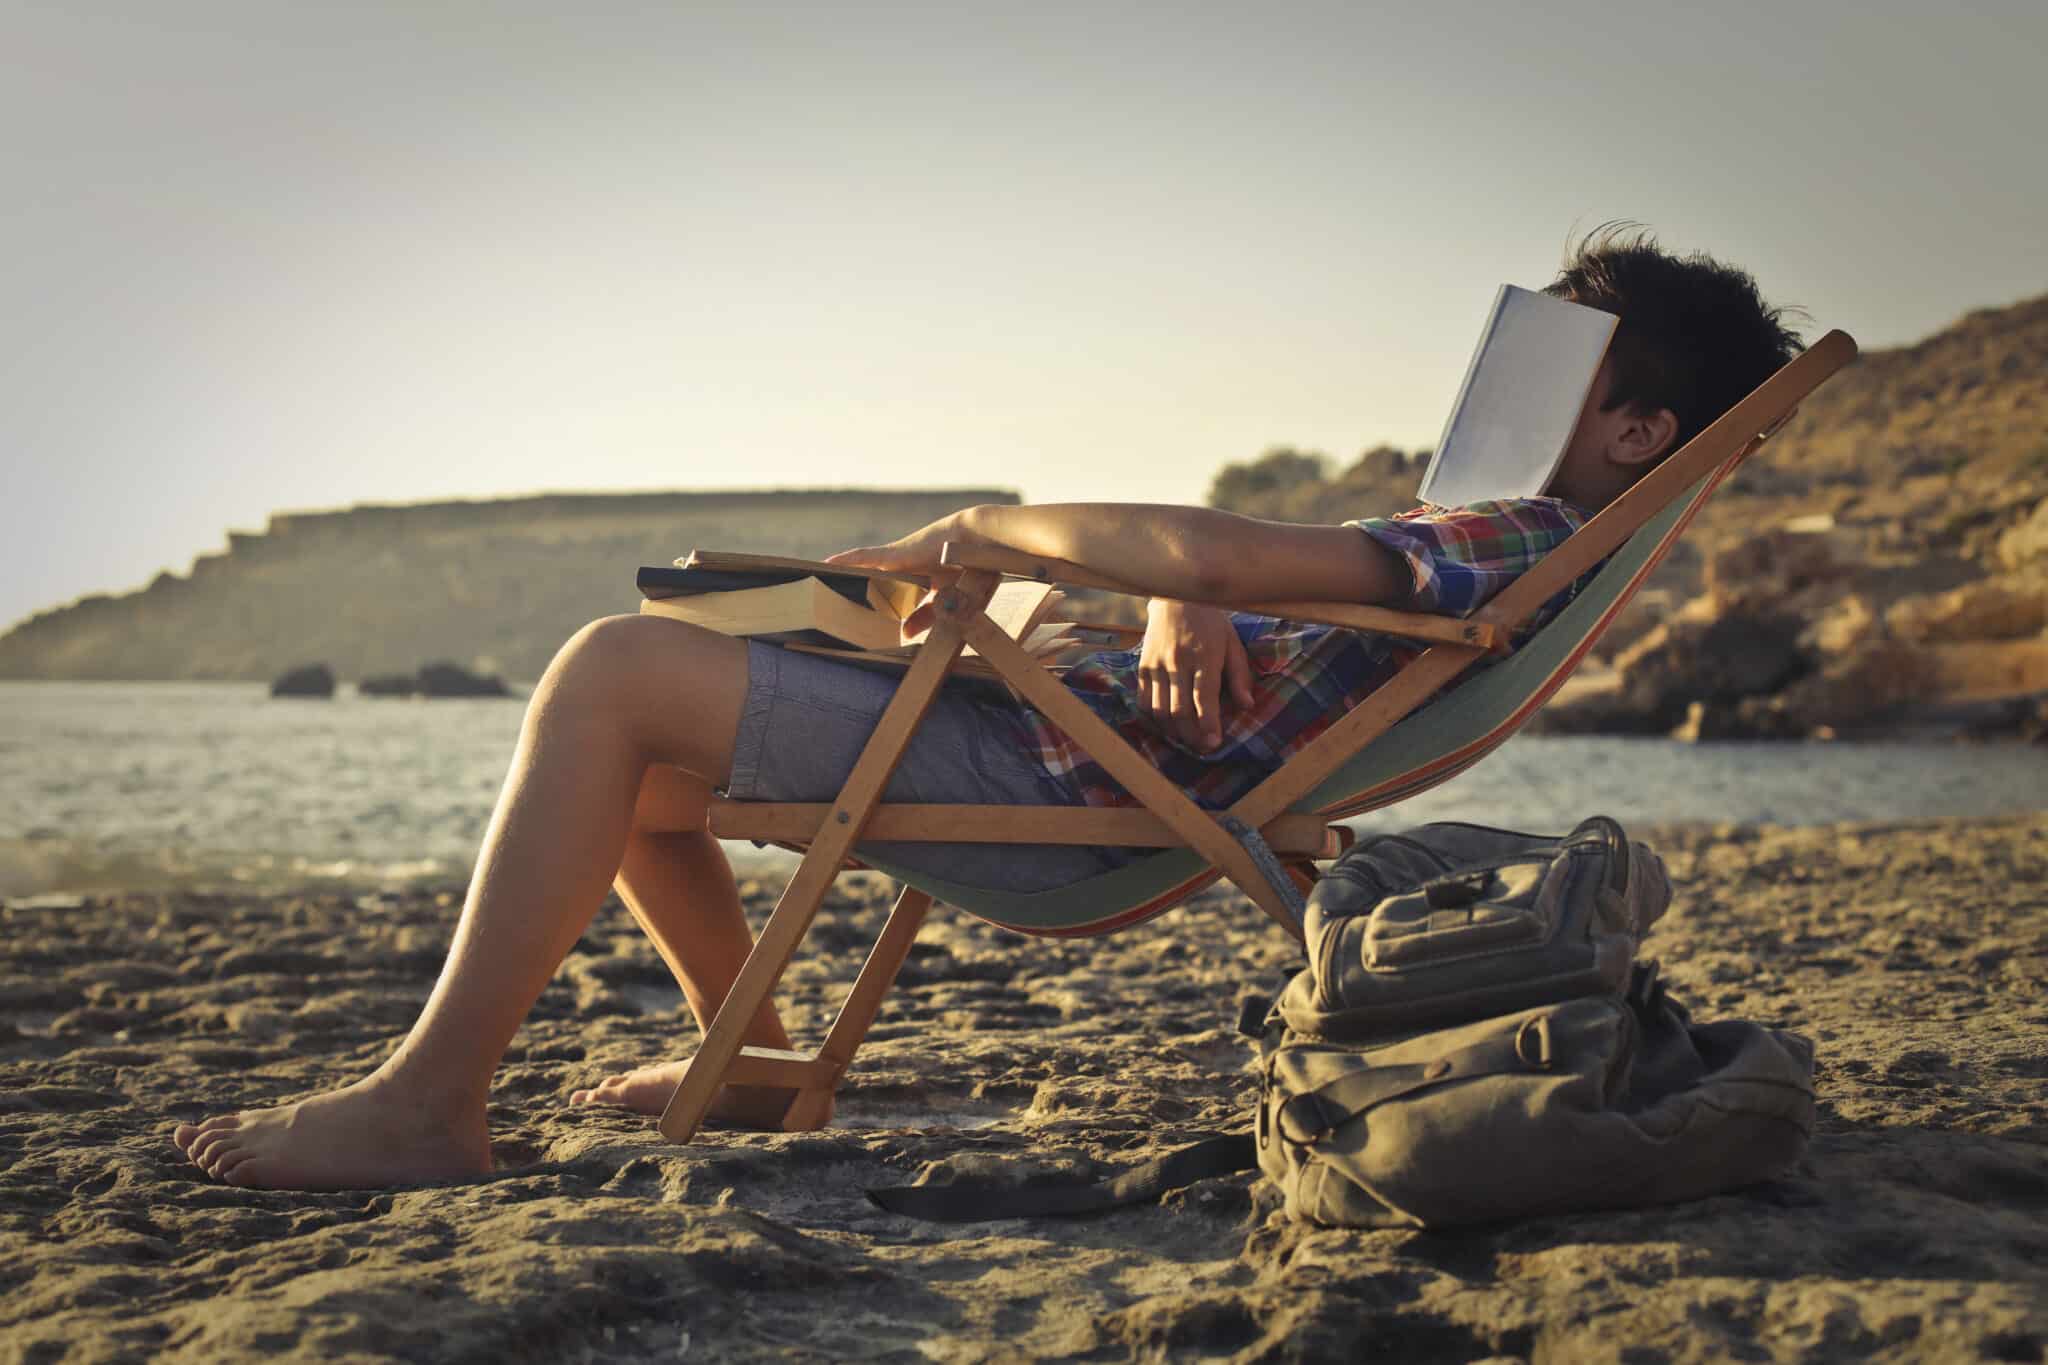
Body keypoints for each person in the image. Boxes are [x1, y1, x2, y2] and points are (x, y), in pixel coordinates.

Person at [174, 226, 1804, 1190]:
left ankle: (429, 1098)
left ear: (1641, 431)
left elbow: (1211, 541)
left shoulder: (1500, 535)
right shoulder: (1505, 539)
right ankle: (745, 1065)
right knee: (653, 775)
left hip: (1065, 781)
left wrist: (986, 532)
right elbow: (1224, 572)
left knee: (607, 676)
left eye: (1555, 370)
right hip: (1065, 732)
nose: (1499, 392)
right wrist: (1181, 591)